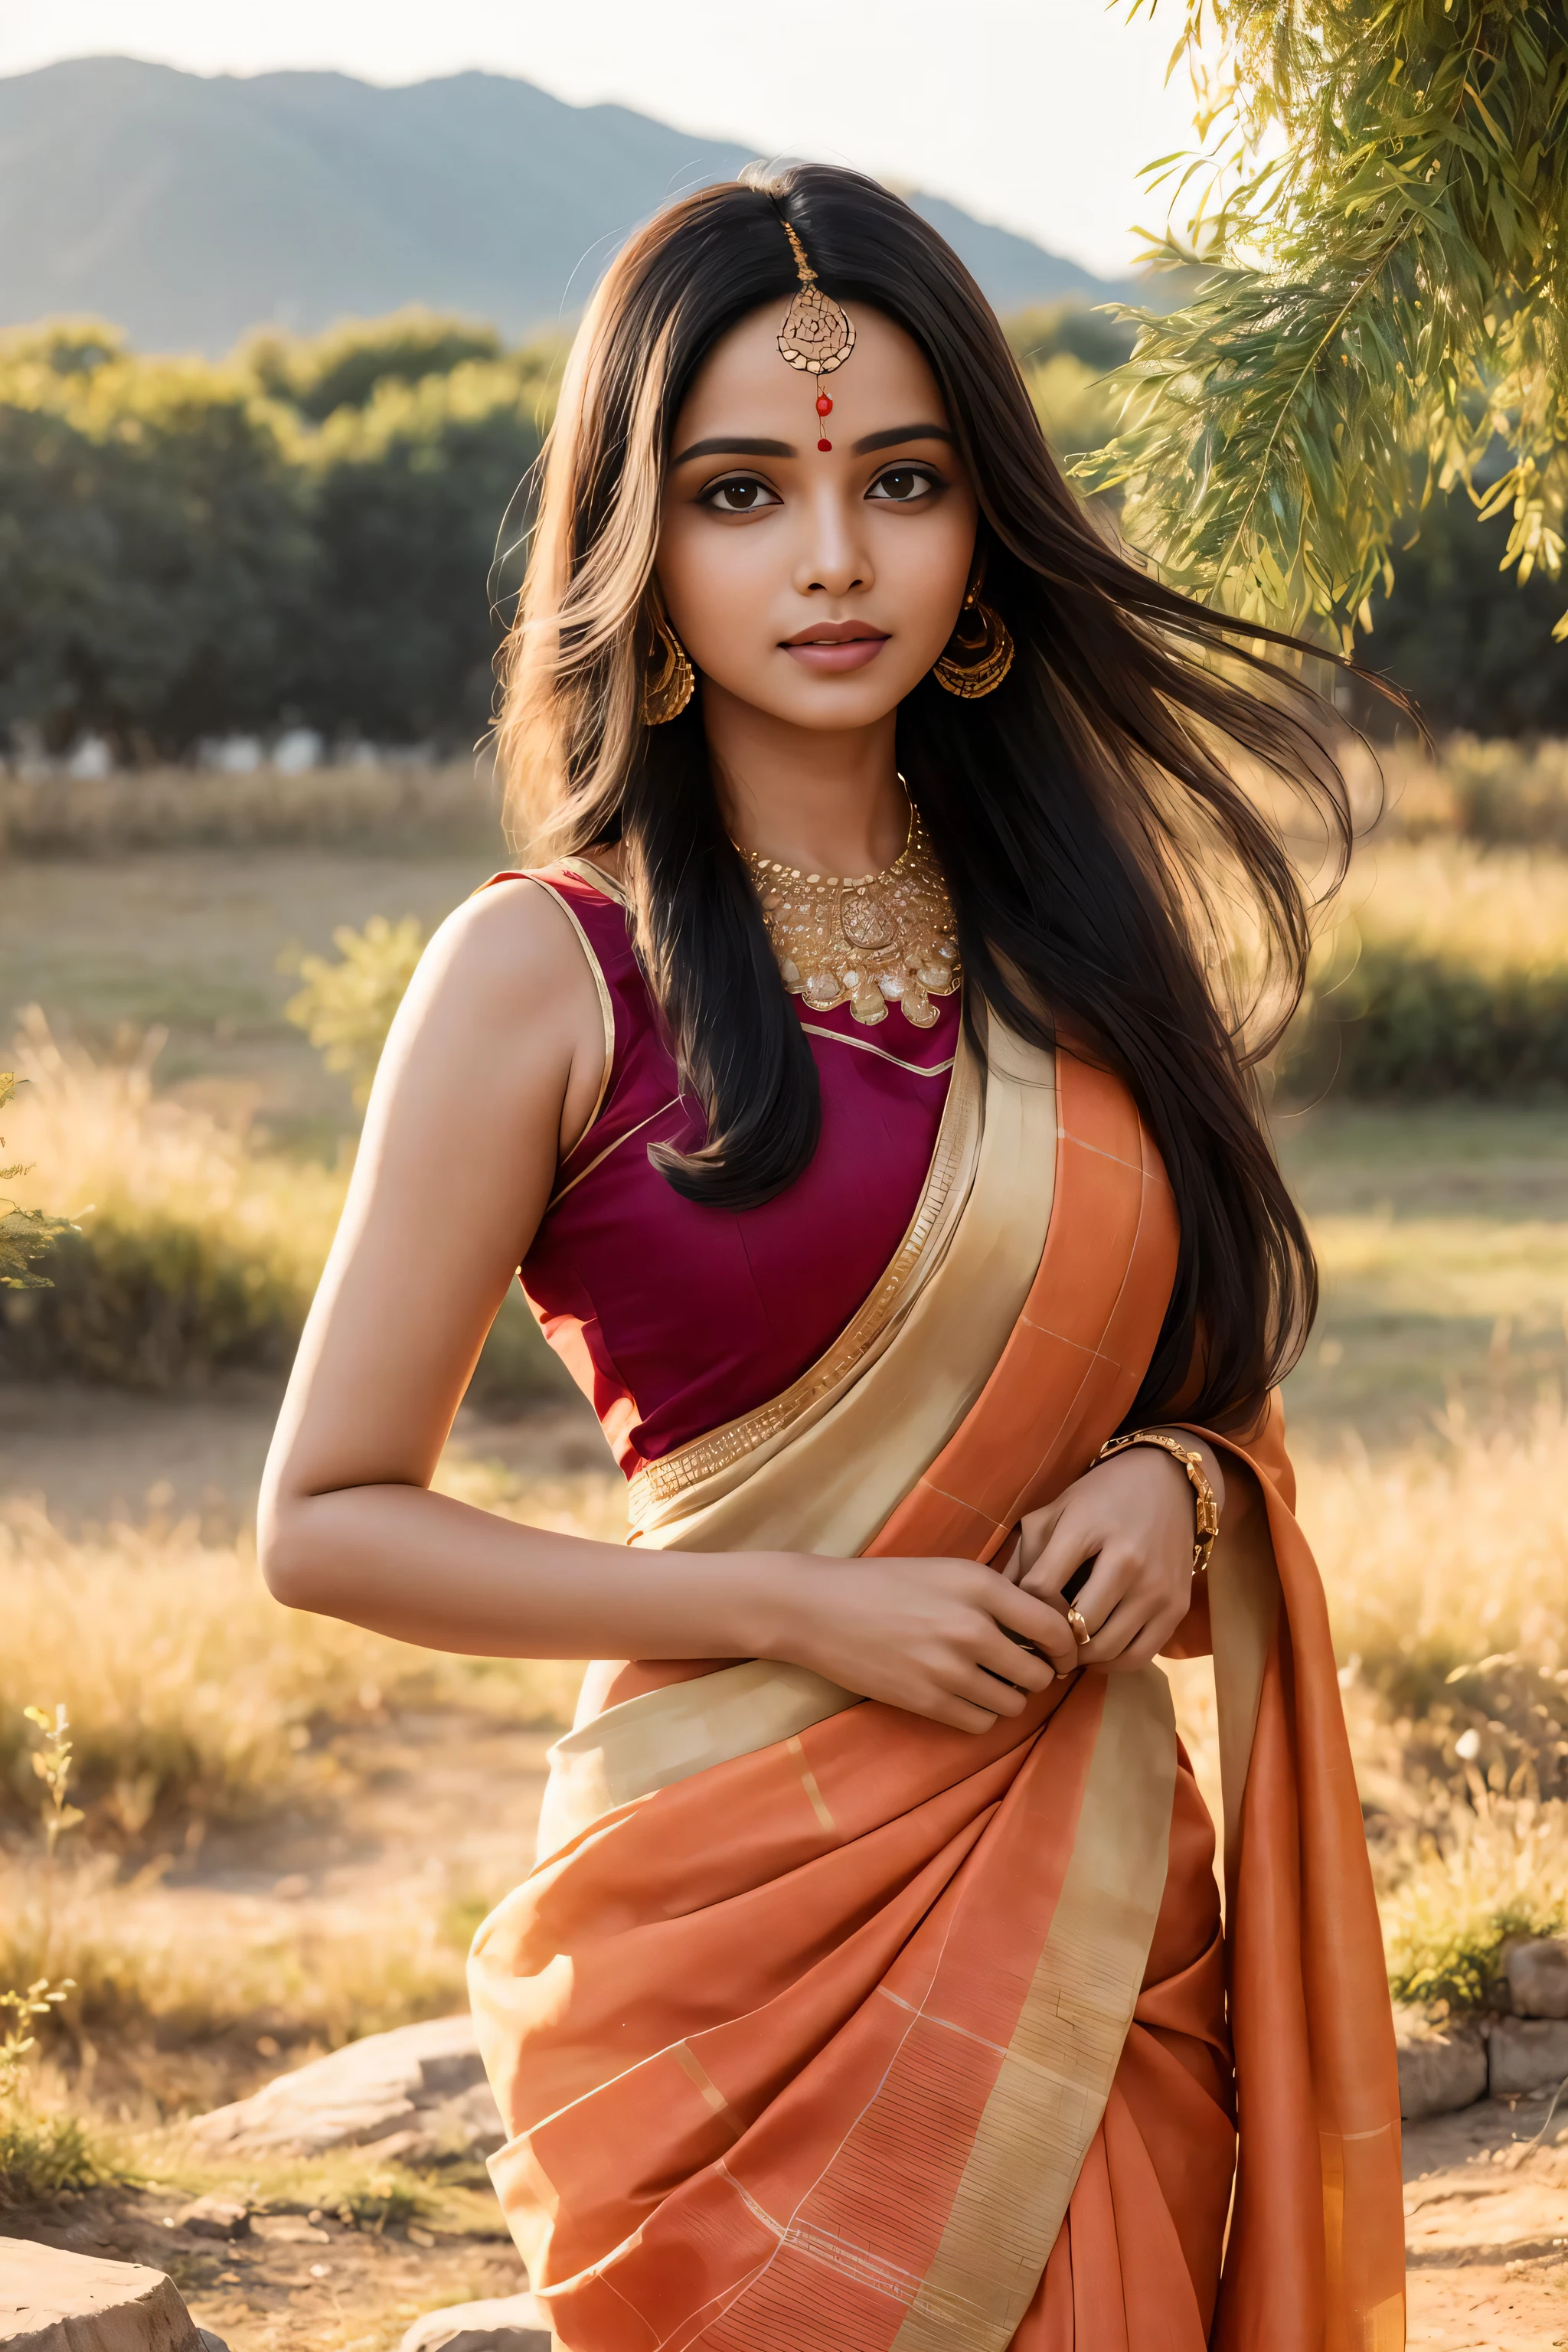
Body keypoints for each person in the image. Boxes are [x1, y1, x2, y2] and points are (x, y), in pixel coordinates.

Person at [259, 165, 1405, 2350]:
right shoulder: (540, 973)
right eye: (741, 491)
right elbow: (322, 1525)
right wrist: (797, 1604)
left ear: (981, 534)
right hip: (727, 1934)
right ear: (638, 538)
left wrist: (1180, 1485)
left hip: (1086, 1916)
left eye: (900, 480)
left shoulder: (1072, 944)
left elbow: (1203, 1361)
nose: (833, 557)